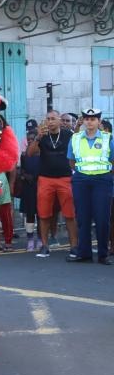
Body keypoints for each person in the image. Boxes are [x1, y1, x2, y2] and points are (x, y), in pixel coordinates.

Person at [26, 110, 77, 257]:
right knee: (44, 214)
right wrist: (38, 137)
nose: (50, 121)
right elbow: (30, 153)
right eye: (48, 119)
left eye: (53, 118)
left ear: (60, 120)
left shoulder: (69, 135)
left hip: (65, 178)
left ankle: (74, 246)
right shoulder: (42, 135)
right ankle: (45, 246)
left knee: (69, 214)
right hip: (45, 179)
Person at [66, 108, 113, 265]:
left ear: (99, 121)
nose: (90, 122)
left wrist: (105, 174)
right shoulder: (75, 138)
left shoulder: (108, 138)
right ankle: (84, 253)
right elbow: (71, 161)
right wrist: (82, 173)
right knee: (82, 218)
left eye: (93, 119)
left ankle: (103, 255)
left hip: (102, 181)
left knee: (102, 218)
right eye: (87, 119)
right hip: (81, 180)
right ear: (83, 121)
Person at [18, 119, 42, 252]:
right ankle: (30, 239)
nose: (30, 142)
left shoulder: (42, 155)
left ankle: (41, 239)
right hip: (28, 187)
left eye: (32, 140)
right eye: (28, 140)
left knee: (41, 214)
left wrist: (37, 177)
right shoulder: (24, 155)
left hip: (40, 186)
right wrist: (25, 176)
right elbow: (21, 170)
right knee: (30, 214)